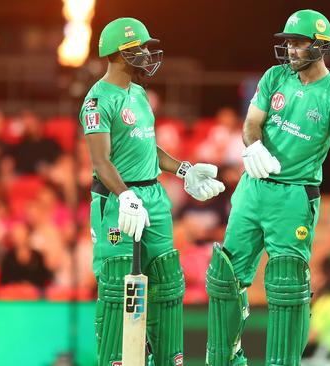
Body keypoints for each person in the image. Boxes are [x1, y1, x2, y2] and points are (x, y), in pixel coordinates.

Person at [205, 10, 330, 365]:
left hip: (295, 196)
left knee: (287, 285)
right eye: (288, 43)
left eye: (298, 43)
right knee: (226, 279)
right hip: (254, 188)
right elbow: (252, 123)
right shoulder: (274, 77)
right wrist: (253, 147)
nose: (290, 50)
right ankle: (225, 357)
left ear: (320, 47)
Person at [80, 18, 225, 366]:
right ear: (120, 54)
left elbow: (149, 149)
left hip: (154, 198)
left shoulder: (140, 93)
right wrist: (125, 195)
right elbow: (101, 160)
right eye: (140, 49)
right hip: (118, 202)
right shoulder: (97, 101)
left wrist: (184, 169)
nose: (147, 55)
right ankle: (117, 360)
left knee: (166, 281)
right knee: (119, 287)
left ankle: (165, 358)